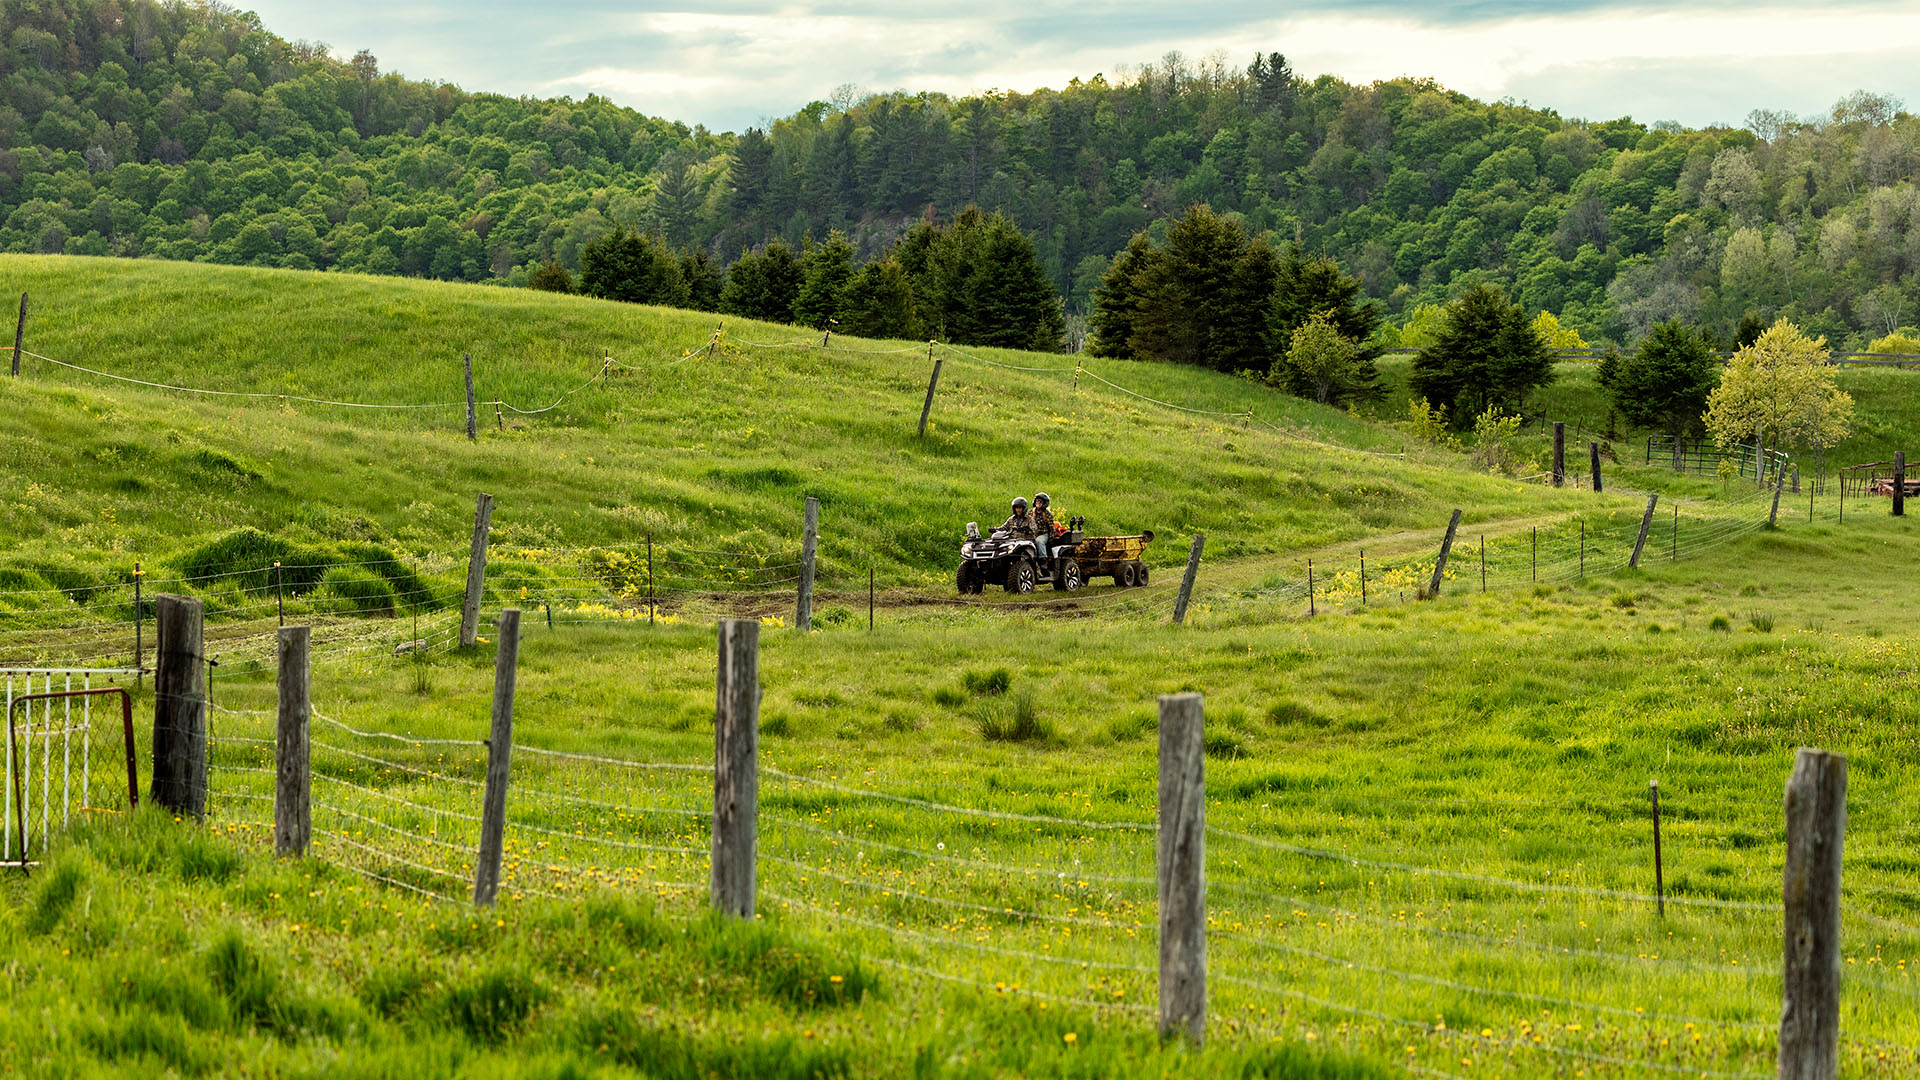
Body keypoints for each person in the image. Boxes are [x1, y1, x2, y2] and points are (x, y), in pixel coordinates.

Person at [1031, 492, 1056, 558]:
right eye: (1037, 501)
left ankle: (1043, 559)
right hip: (1032, 534)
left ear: (1044, 503)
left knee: (1039, 541)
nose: (1038, 503)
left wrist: (1051, 539)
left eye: (1040, 502)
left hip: (1043, 534)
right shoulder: (1030, 512)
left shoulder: (1048, 514)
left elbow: (1052, 528)